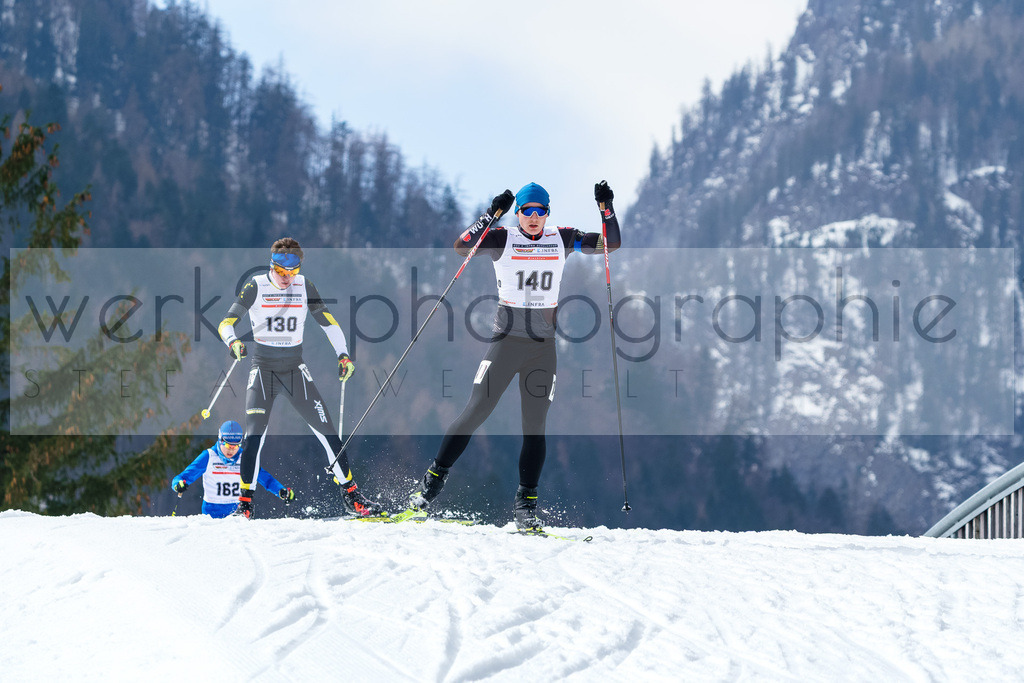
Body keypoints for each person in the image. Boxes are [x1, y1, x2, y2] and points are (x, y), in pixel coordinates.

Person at [403, 180, 621, 531]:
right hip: (506, 342)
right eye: (526, 211)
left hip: (543, 349)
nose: (533, 217)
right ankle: (427, 490)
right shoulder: (504, 238)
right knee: (475, 411)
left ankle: (525, 507)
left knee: (535, 427)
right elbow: (463, 246)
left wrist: (606, 208)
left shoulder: (561, 238)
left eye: (540, 211)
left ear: (547, 213)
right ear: (517, 213)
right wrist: (491, 214)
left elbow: (612, 244)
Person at [217, 237, 384, 519]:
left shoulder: (304, 286)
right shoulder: (256, 285)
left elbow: (328, 322)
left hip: (295, 371)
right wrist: (233, 342)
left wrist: (343, 354)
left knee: (329, 433)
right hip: (263, 370)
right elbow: (226, 323)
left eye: (291, 273)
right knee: (253, 437)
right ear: (272, 266)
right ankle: (245, 505)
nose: (286, 279)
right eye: (281, 273)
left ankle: (353, 497)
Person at [171, 420, 294, 519]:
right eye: (228, 445)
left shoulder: (244, 458)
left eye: (236, 446)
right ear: (220, 441)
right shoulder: (209, 456)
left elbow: (264, 479)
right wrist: (178, 484)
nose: (231, 450)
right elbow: (182, 477)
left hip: (238, 512)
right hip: (212, 514)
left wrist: (281, 491)